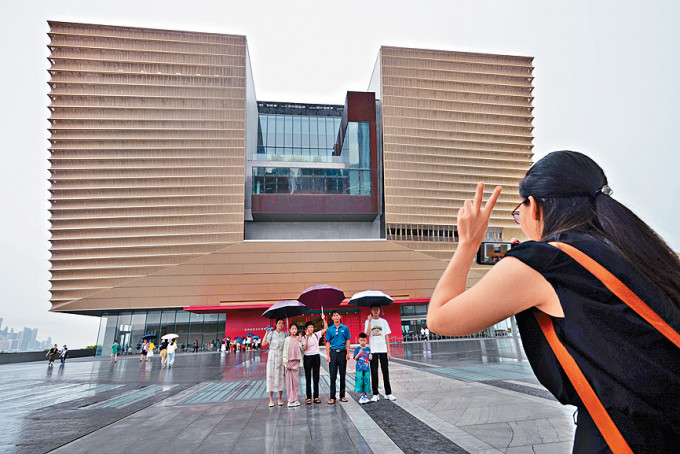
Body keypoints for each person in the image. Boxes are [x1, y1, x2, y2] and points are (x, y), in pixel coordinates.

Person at [427, 150, 680, 453]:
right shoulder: (634, 252)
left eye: (518, 211)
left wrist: (468, 242)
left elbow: (440, 319)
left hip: (624, 435)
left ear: (534, 206)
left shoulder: (545, 261)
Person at [365, 305, 396, 401]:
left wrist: (389, 351)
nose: (375, 311)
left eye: (377, 309)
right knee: (374, 372)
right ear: (371, 310)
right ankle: (375, 394)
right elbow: (368, 334)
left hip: (383, 350)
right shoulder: (368, 321)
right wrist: (370, 321)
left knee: (385, 371)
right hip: (373, 350)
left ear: (379, 310)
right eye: (373, 309)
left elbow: (387, 336)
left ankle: (388, 393)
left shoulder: (384, 321)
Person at [325, 310, 351, 404]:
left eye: (337, 315)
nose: (336, 317)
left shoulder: (345, 328)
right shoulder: (329, 329)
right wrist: (328, 355)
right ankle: (332, 397)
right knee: (332, 376)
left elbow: (348, 340)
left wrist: (348, 353)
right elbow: (327, 342)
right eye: (334, 315)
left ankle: (342, 396)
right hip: (333, 353)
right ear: (332, 318)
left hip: (342, 353)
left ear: (340, 316)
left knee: (343, 375)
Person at [302, 314, 329, 404]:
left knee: (316, 377)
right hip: (307, 357)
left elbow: (326, 328)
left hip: (316, 357)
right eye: (309, 327)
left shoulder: (317, 335)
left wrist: (323, 319)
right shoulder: (303, 337)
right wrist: (306, 338)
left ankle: (316, 396)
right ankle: (308, 397)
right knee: (308, 377)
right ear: (306, 329)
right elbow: (304, 348)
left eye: (312, 327)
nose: (311, 328)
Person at [262, 319, 286, 407]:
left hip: (281, 356)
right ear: (276, 324)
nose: (281, 325)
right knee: (271, 376)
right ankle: (271, 399)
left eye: (282, 323)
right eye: (279, 323)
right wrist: (266, 333)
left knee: (281, 376)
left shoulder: (284, 334)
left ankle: (280, 398)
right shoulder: (271, 334)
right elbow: (264, 343)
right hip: (272, 356)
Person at [282, 324, 303, 407]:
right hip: (289, 363)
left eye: (295, 328)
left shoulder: (298, 339)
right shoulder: (287, 339)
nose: (294, 330)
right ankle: (290, 400)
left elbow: (301, 348)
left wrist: (300, 341)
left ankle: (295, 398)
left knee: (296, 382)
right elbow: (285, 351)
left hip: (296, 362)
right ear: (289, 330)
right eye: (292, 329)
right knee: (289, 382)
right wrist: (285, 362)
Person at [353, 333, 372, 404]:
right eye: (361, 340)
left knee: (366, 382)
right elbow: (355, 358)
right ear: (359, 340)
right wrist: (359, 353)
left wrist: (370, 357)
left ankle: (365, 396)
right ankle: (361, 396)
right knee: (360, 382)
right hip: (359, 369)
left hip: (366, 369)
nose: (363, 342)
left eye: (364, 340)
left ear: (366, 340)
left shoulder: (368, 349)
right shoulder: (357, 349)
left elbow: (370, 359)